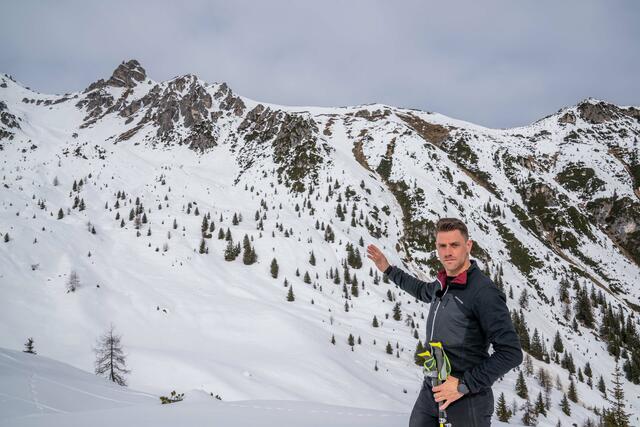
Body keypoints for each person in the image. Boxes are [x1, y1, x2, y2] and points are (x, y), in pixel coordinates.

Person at [366, 218, 522, 427]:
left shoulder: (483, 292)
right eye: (442, 245)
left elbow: (511, 352)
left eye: (454, 245)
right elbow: (422, 290)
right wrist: (388, 270)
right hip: (432, 389)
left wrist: (463, 385)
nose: (448, 251)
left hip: (467, 399)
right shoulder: (444, 283)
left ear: (468, 246)